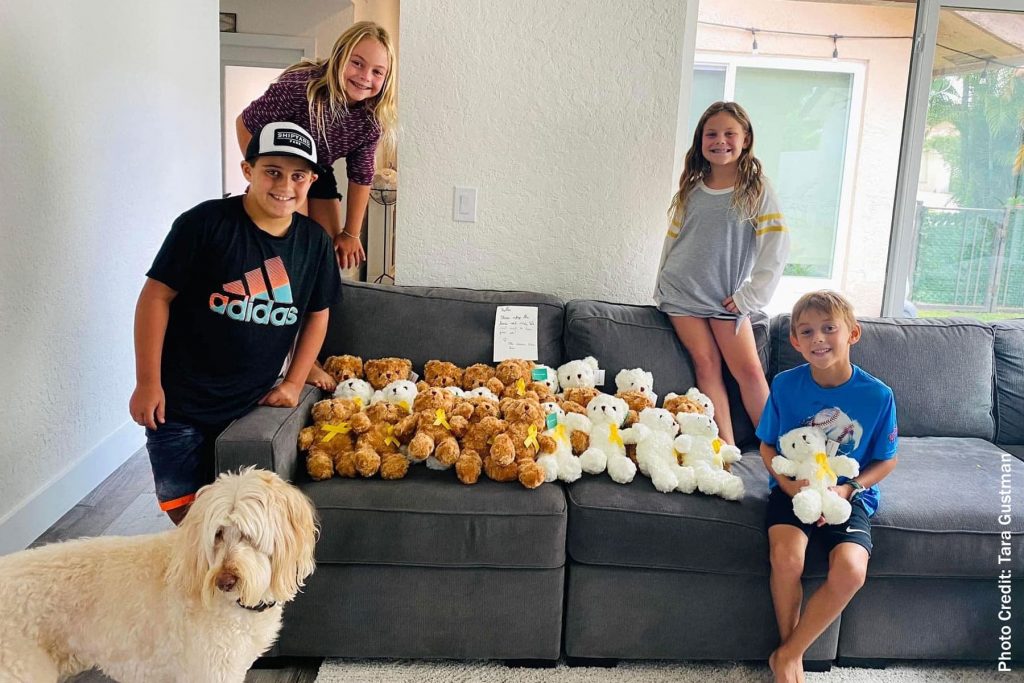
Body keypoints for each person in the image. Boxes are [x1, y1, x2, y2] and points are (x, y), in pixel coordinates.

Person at [129, 122, 342, 525]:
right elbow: (155, 297)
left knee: (241, 525)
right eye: (272, 171)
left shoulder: (314, 243)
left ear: (311, 180)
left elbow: (318, 314)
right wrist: (147, 382)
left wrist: (294, 383)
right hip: (178, 407)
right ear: (248, 171)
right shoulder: (203, 224)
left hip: (249, 407)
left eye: (298, 175)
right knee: (191, 524)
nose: (285, 185)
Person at [236, 21, 396, 392]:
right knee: (292, 256)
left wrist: (350, 234)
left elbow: (362, 175)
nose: (364, 77)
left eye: (377, 72)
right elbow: (245, 122)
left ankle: (308, 349)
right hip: (281, 165)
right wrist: (262, 176)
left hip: (317, 169)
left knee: (322, 253)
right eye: (357, 64)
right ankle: (295, 357)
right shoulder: (300, 88)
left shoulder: (370, 118)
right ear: (339, 58)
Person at [756, 290, 899, 683]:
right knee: (787, 559)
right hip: (794, 491)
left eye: (829, 328)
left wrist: (849, 489)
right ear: (796, 342)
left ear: (852, 334)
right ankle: (790, 657)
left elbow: (888, 458)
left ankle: (787, 654)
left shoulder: (878, 395)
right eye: (807, 331)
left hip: (846, 496)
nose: (818, 338)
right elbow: (767, 445)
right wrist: (787, 487)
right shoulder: (785, 385)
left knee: (852, 570)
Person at [654, 101, 789, 445]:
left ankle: (782, 453)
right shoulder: (691, 190)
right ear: (701, 140)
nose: (720, 141)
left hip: (727, 300)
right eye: (711, 134)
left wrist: (750, 296)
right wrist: (661, 287)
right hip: (681, 293)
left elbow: (777, 247)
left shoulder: (756, 191)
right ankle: (725, 451)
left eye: (730, 133)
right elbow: (674, 243)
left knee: (749, 372)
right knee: (706, 366)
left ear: (745, 140)